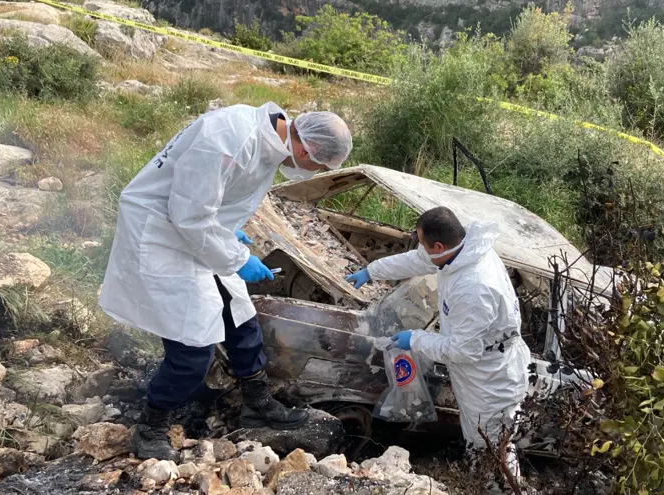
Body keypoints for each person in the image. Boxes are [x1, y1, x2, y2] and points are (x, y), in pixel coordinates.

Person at [99, 101, 353, 462]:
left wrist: (231, 232)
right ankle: (151, 426)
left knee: (240, 315)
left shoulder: (268, 142)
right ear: (304, 148)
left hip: (197, 231)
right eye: (319, 165)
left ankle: (256, 403)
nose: (313, 172)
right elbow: (188, 214)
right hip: (162, 233)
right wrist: (237, 258)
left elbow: (213, 197)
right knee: (194, 344)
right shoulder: (229, 138)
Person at [345, 207, 531, 481]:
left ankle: (501, 487)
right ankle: (479, 477)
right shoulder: (459, 251)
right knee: (476, 436)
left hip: (491, 378)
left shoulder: (475, 288)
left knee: (494, 449)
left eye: (423, 242)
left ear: (440, 245)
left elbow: (462, 350)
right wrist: (372, 271)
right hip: (476, 369)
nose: (422, 248)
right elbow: (419, 260)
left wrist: (416, 339)